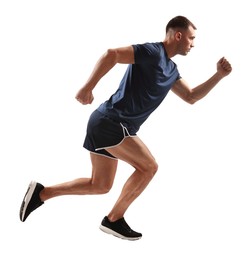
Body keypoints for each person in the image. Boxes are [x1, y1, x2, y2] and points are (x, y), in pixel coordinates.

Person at [19, 15, 232, 241]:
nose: (193, 44)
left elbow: (190, 96)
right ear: (178, 35)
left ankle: (41, 193)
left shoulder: (171, 70)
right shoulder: (152, 52)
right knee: (149, 167)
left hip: (110, 125)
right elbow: (112, 54)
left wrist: (219, 75)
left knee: (99, 185)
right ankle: (113, 219)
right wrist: (88, 87)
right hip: (111, 123)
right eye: (191, 38)